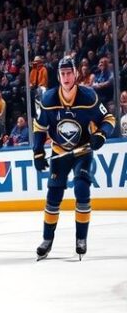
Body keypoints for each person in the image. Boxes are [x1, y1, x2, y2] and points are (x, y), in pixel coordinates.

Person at [32, 56, 115, 260]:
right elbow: (39, 127)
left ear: (76, 74)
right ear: (59, 77)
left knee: (81, 189)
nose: (66, 77)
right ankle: (47, 240)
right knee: (53, 196)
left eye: (69, 73)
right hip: (60, 152)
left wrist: (101, 134)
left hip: (83, 151)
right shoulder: (49, 99)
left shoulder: (88, 97)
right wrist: (37, 151)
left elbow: (109, 119)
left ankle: (81, 239)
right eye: (63, 74)